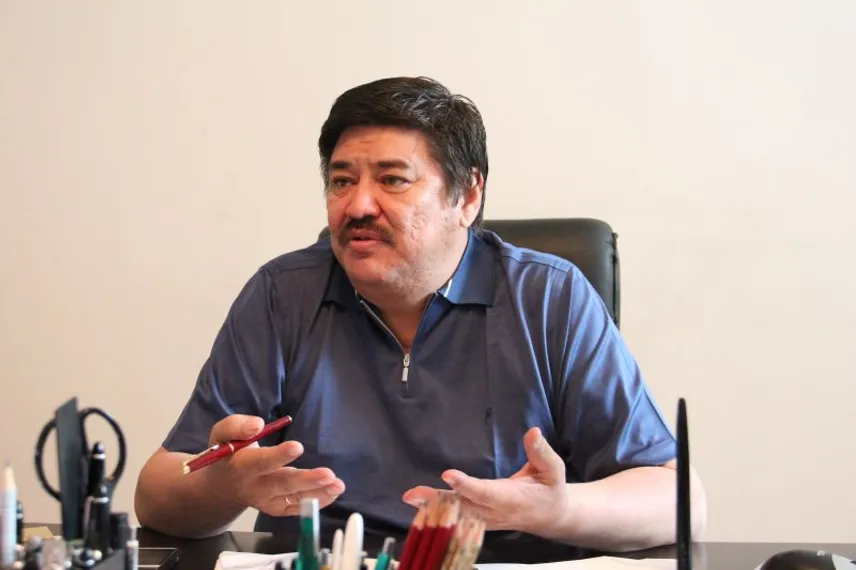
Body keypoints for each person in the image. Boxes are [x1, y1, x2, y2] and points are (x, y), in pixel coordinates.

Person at [134, 76, 707, 552]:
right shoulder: (282, 294)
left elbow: (679, 501)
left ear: (467, 197)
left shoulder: (549, 297)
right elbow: (156, 496)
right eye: (341, 181)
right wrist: (227, 484)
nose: (357, 205)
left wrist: (557, 510)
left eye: (392, 180)